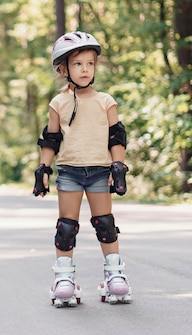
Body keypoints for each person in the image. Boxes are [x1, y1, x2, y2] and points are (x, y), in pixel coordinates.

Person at [33, 31, 131, 307]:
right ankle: (64, 278)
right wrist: (43, 169)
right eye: (78, 64)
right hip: (69, 171)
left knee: (106, 223)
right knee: (67, 226)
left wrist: (118, 166)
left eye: (90, 63)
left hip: (100, 171)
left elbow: (116, 136)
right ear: (64, 68)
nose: (85, 69)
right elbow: (51, 139)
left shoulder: (106, 101)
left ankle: (115, 275)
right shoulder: (58, 103)